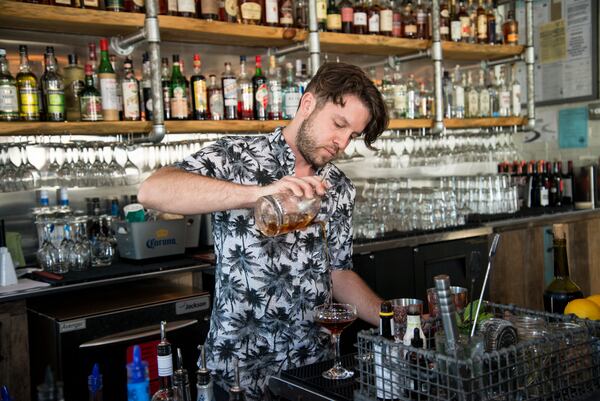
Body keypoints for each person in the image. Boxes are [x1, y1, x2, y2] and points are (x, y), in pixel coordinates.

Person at [138, 62, 389, 399]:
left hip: (311, 371)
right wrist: (257, 194)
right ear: (308, 104)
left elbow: (338, 273)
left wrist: (393, 318)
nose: (342, 142)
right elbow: (152, 191)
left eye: (352, 135)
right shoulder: (235, 157)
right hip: (237, 370)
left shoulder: (338, 187)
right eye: (339, 124)